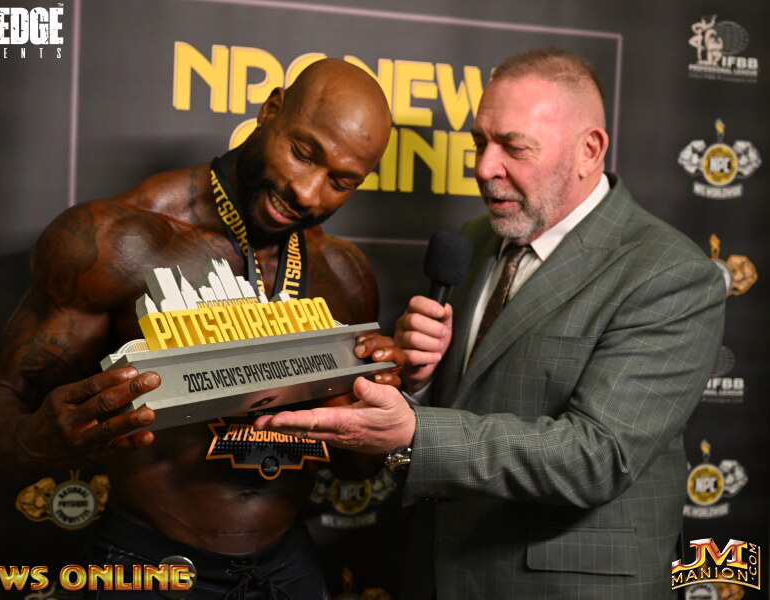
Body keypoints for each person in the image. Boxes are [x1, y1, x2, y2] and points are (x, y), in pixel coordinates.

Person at [253, 48, 727, 599]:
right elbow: (467, 401)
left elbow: (599, 456)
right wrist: (420, 378)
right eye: (480, 142)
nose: (483, 168)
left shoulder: (669, 273)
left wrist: (416, 433)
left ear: (589, 151)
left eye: (514, 147)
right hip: (437, 572)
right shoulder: (475, 241)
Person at [0, 58, 401, 599]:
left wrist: (371, 400)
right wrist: (37, 441)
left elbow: (358, 470)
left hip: (290, 568)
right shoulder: (118, 242)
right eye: (303, 153)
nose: (309, 193)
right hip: (152, 566)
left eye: (341, 182)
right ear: (271, 110)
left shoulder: (345, 274)